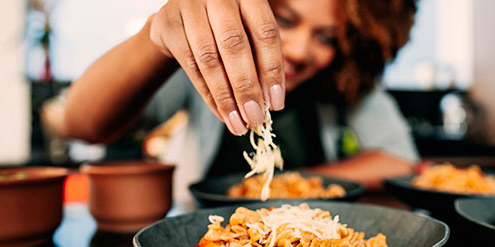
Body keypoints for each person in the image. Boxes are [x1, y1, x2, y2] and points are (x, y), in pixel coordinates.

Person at [61, 0, 419, 198]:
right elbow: (82, 124)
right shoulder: (204, 61)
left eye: (326, 38)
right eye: (284, 20)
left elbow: (399, 161)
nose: (298, 50)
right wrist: (154, 39)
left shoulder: (342, 82)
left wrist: (290, 183)